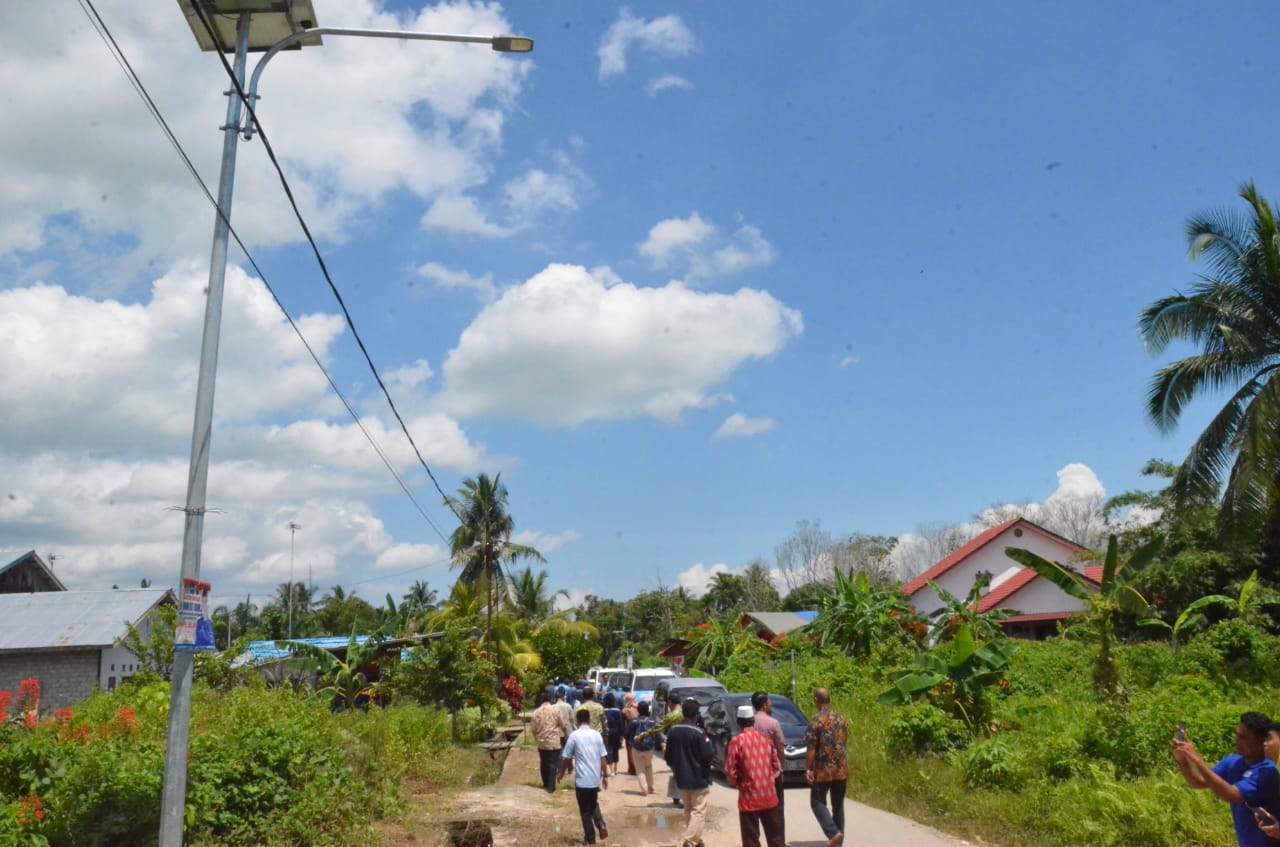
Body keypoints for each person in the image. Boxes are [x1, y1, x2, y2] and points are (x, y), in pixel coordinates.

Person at [1174, 711, 1280, 847]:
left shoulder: (1267, 771)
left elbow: (1230, 794)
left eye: (1243, 737)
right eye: (1237, 735)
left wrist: (1196, 759)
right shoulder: (1232, 762)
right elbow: (1197, 782)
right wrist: (1183, 760)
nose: (1237, 740)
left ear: (1259, 741)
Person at [727, 703, 785, 847]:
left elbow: (731, 772)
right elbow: (776, 767)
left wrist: (739, 783)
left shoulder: (737, 742)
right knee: (776, 838)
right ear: (753, 720)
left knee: (751, 840)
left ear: (738, 722)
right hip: (769, 797)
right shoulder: (766, 740)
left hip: (749, 799)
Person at [664, 697, 713, 847]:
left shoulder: (673, 731)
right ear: (696, 715)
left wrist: (676, 769)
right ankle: (690, 841)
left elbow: (668, 756)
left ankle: (696, 841)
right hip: (698, 778)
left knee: (688, 809)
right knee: (698, 811)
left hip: (682, 778)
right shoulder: (699, 732)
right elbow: (708, 755)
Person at [805, 688, 849, 847]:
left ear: (817, 700)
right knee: (838, 806)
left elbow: (811, 748)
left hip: (823, 771)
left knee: (816, 802)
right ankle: (838, 842)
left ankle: (833, 833)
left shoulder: (816, 721)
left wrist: (808, 769)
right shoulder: (842, 719)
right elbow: (844, 743)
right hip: (841, 769)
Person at [559, 707, 610, 845]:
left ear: (577, 720)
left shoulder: (574, 736)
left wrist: (561, 773)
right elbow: (603, 758)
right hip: (594, 778)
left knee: (585, 811)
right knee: (593, 803)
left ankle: (590, 840)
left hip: (582, 780)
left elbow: (567, 758)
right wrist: (605, 776)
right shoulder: (597, 735)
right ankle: (601, 824)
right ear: (589, 720)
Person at [752, 691, 787, 842]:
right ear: (765, 705)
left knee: (756, 809)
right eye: (770, 702)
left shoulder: (749, 722)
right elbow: (780, 747)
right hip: (773, 772)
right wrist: (782, 766)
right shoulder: (773, 723)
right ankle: (779, 841)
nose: (771, 704)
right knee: (777, 808)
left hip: (754, 771)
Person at [530, 691, 570, 793]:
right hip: (553, 742)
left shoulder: (536, 712)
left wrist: (537, 739)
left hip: (541, 742)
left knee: (544, 763)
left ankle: (545, 783)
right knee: (552, 764)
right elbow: (563, 725)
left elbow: (533, 729)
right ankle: (551, 786)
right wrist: (566, 735)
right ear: (551, 699)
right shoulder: (555, 710)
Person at [627, 700, 658, 796]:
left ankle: (644, 789)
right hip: (649, 748)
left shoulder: (634, 722)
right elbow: (657, 734)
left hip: (637, 747)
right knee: (648, 766)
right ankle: (651, 787)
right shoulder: (652, 721)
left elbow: (627, 734)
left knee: (640, 768)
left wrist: (631, 741)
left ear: (638, 710)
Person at [603, 692, 625, 776]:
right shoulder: (617, 711)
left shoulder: (603, 710)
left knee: (608, 751)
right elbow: (620, 723)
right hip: (616, 733)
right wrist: (622, 735)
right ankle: (616, 769)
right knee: (616, 750)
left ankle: (611, 770)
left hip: (607, 733)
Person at [622, 692, 640, 776]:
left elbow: (624, 715)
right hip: (640, 730)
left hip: (631, 730)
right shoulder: (639, 706)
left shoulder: (627, 709)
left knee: (630, 750)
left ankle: (632, 769)